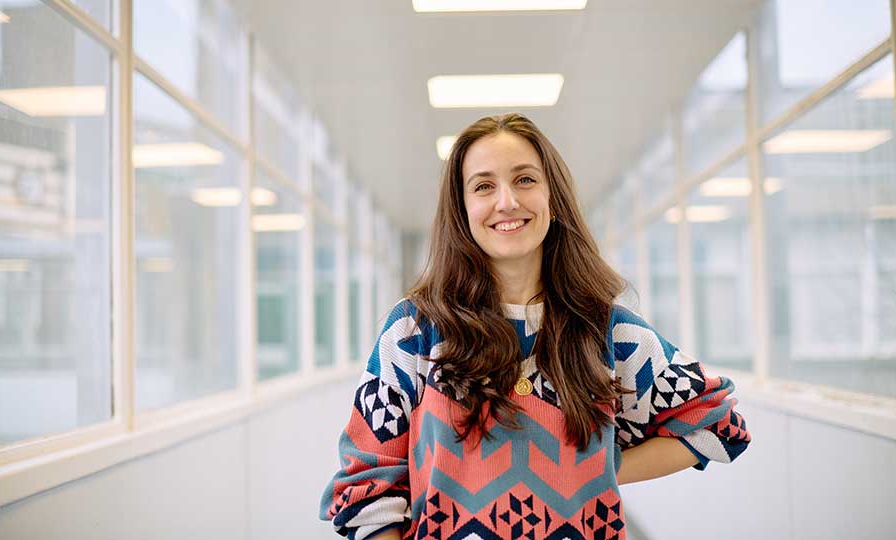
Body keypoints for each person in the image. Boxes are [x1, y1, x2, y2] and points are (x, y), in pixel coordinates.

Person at [319, 113, 751, 540]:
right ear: (462, 209)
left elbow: (718, 425)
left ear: (553, 198)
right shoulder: (416, 331)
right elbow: (365, 489)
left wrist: (602, 467)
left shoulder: (609, 331)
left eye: (525, 179)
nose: (507, 201)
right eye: (484, 186)